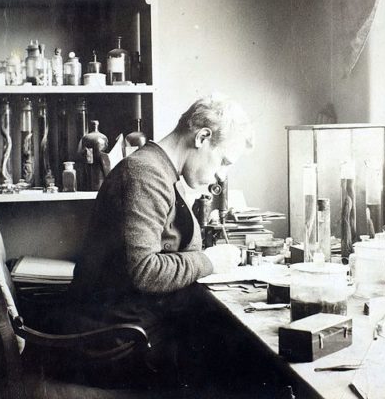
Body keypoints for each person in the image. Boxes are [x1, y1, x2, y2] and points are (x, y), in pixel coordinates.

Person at [67, 94, 253, 387]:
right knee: (247, 357)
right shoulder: (144, 174)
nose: (220, 174)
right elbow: (145, 271)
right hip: (117, 342)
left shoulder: (159, 170)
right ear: (202, 137)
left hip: (131, 328)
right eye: (223, 161)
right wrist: (209, 262)